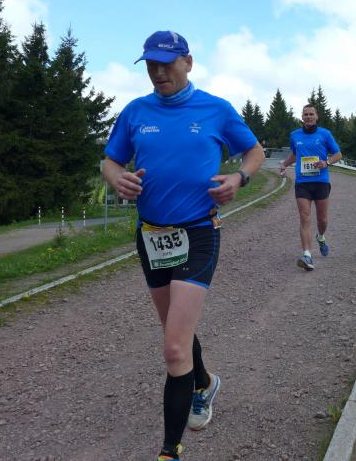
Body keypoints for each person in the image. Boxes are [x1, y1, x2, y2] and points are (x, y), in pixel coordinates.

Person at [103, 30, 264, 460]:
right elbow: (110, 160)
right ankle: (205, 383)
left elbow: (255, 152)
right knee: (176, 330)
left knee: (174, 348)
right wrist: (116, 178)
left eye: (166, 64)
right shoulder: (136, 112)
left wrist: (239, 178)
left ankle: (169, 452)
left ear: (188, 63)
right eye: (151, 65)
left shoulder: (216, 109)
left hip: (198, 233)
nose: (158, 72)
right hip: (152, 236)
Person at [278, 104, 342, 271]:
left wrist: (326, 162)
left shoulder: (325, 134)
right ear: (302, 117)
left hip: (321, 181)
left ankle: (320, 237)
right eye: (305, 114)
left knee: (322, 220)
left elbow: (338, 154)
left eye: (311, 114)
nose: (308, 117)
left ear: (316, 116)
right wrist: (284, 164)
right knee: (304, 217)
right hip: (302, 183)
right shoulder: (295, 135)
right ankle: (307, 254)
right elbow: (295, 154)